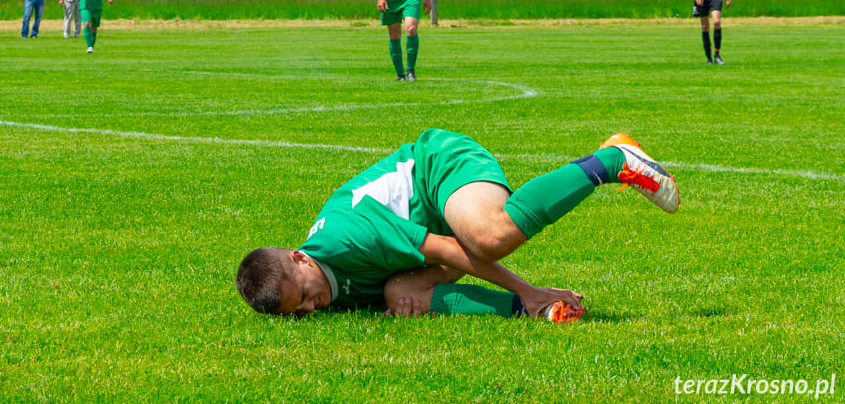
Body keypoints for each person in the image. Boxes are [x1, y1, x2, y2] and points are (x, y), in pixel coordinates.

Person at [237, 130, 679, 322]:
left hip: (439, 166)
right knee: (400, 294)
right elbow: (402, 286)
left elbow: (448, 250)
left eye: (303, 297)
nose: (311, 309)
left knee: (490, 236)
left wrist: (527, 288)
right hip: (433, 224)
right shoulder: (325, 285)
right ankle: (543, 312)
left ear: (299, 257)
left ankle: (614, 159)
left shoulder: (347, 235)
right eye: (297, 314)